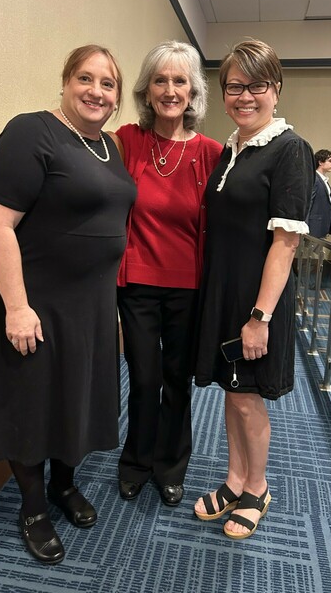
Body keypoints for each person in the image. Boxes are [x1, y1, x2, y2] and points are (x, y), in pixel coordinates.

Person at [0, 45, 136, 564]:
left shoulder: (109, 146)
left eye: (107, 83)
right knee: (32, 402)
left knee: (76, 397)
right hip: (36, 299)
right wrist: (17, 307)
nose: (96, 91)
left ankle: (64, 485)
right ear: (65, 82)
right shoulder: (31, 132)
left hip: (91, 303)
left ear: (116, 96)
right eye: (85, 79)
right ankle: (32, 508)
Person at [193, 39, 314, 539]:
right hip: (224, 291)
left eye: (256, 85)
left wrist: (259, 317)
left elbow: (285, 245)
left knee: (248, 398)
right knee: (231, 390)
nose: (245, 96)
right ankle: (235, 479)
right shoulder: (232, 149)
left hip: (257, 301)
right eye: (234, 86)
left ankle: (257, 488)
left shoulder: (290, 150)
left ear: (276, 89)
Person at [115, 41, 222, 506]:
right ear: (147, 90)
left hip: (189, 286)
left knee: (177, 378)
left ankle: (171, 466)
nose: (170, 90)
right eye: (160, 80)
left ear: (193, 91)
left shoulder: (211, 152)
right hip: (137, 283)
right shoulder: (127, 140)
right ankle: (136, 462)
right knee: (143, 378)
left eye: (180, 81)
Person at [307, 149, 331, 238]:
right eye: (330, 161)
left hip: (322, 226)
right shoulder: (315, 179)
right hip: (313, 227)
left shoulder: (324, 181)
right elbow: (308, 202)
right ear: (320, 162)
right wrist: (305, 224)